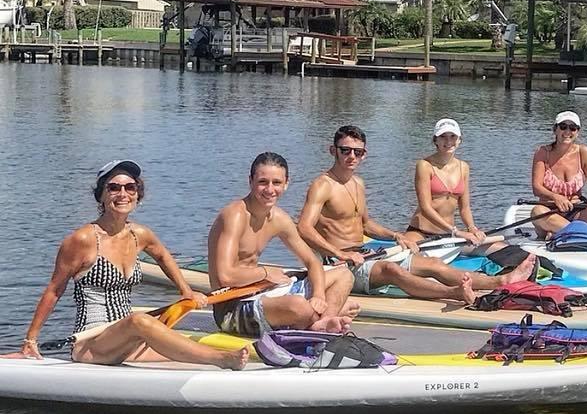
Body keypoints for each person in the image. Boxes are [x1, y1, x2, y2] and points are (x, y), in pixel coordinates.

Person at [9, 160, 248, 368]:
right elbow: (54, 290)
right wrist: (30, 339)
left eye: (130, 187)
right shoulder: (82, 240)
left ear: (137, 194)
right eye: (113, 188)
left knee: (178, 344)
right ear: (101, 195)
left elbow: (164, 256)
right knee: (140, 320)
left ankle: (226, 358)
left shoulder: (139, 235)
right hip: (92, 344)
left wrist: (185, 290)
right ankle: (224, 360)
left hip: (129, 341)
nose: (122, 194)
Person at [297, 125, 535, 304]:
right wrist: (339, 253)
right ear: (333, 151)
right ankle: (454, 293)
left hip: (364, 255)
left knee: (432, 264)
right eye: (345, 150)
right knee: (392, 271)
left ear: (364, 155)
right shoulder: (323, 184)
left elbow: (366, 224)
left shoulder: (357, 183)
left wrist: (395, 236)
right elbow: (304, 228)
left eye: (357, 152)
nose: (351, 157)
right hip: (339, 265)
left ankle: (502, 281)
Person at [207, 152, 357, 338]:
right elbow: (225, 276)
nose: (270, 189)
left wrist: (318, 295)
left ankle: (321, 322)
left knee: (344, 275)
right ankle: (323, 320)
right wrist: (266, 272)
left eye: (276, 183)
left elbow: (312, 262)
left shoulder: (278, 218)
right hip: (232, 307)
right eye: (263, 182)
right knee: (299, 306)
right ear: (251, 181)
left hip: (263, 291)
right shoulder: (234, 216)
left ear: (286, 184)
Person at [530, 111, 587, 238]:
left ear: (577, 132)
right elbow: (537, 188)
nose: (567, 132)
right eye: (563, 127)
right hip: (551, 211)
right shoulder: (542, 152)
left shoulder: (584, 152)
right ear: (555, 129)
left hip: (577, 211)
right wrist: (556, 197)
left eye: (572, 128)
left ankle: (563, 231)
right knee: (537, 212)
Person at [405, 118, 487, 248]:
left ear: (459, 140)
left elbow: (464, 208)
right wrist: (456, 231)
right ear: (435, 140)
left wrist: (472, 228)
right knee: (408, 256)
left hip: (448, 234)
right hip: (420, 232)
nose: (448, 141)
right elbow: (425, 208)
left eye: (453, 136)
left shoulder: (464, 167)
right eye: (443, 136)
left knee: (499, 249)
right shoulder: (424, 166)